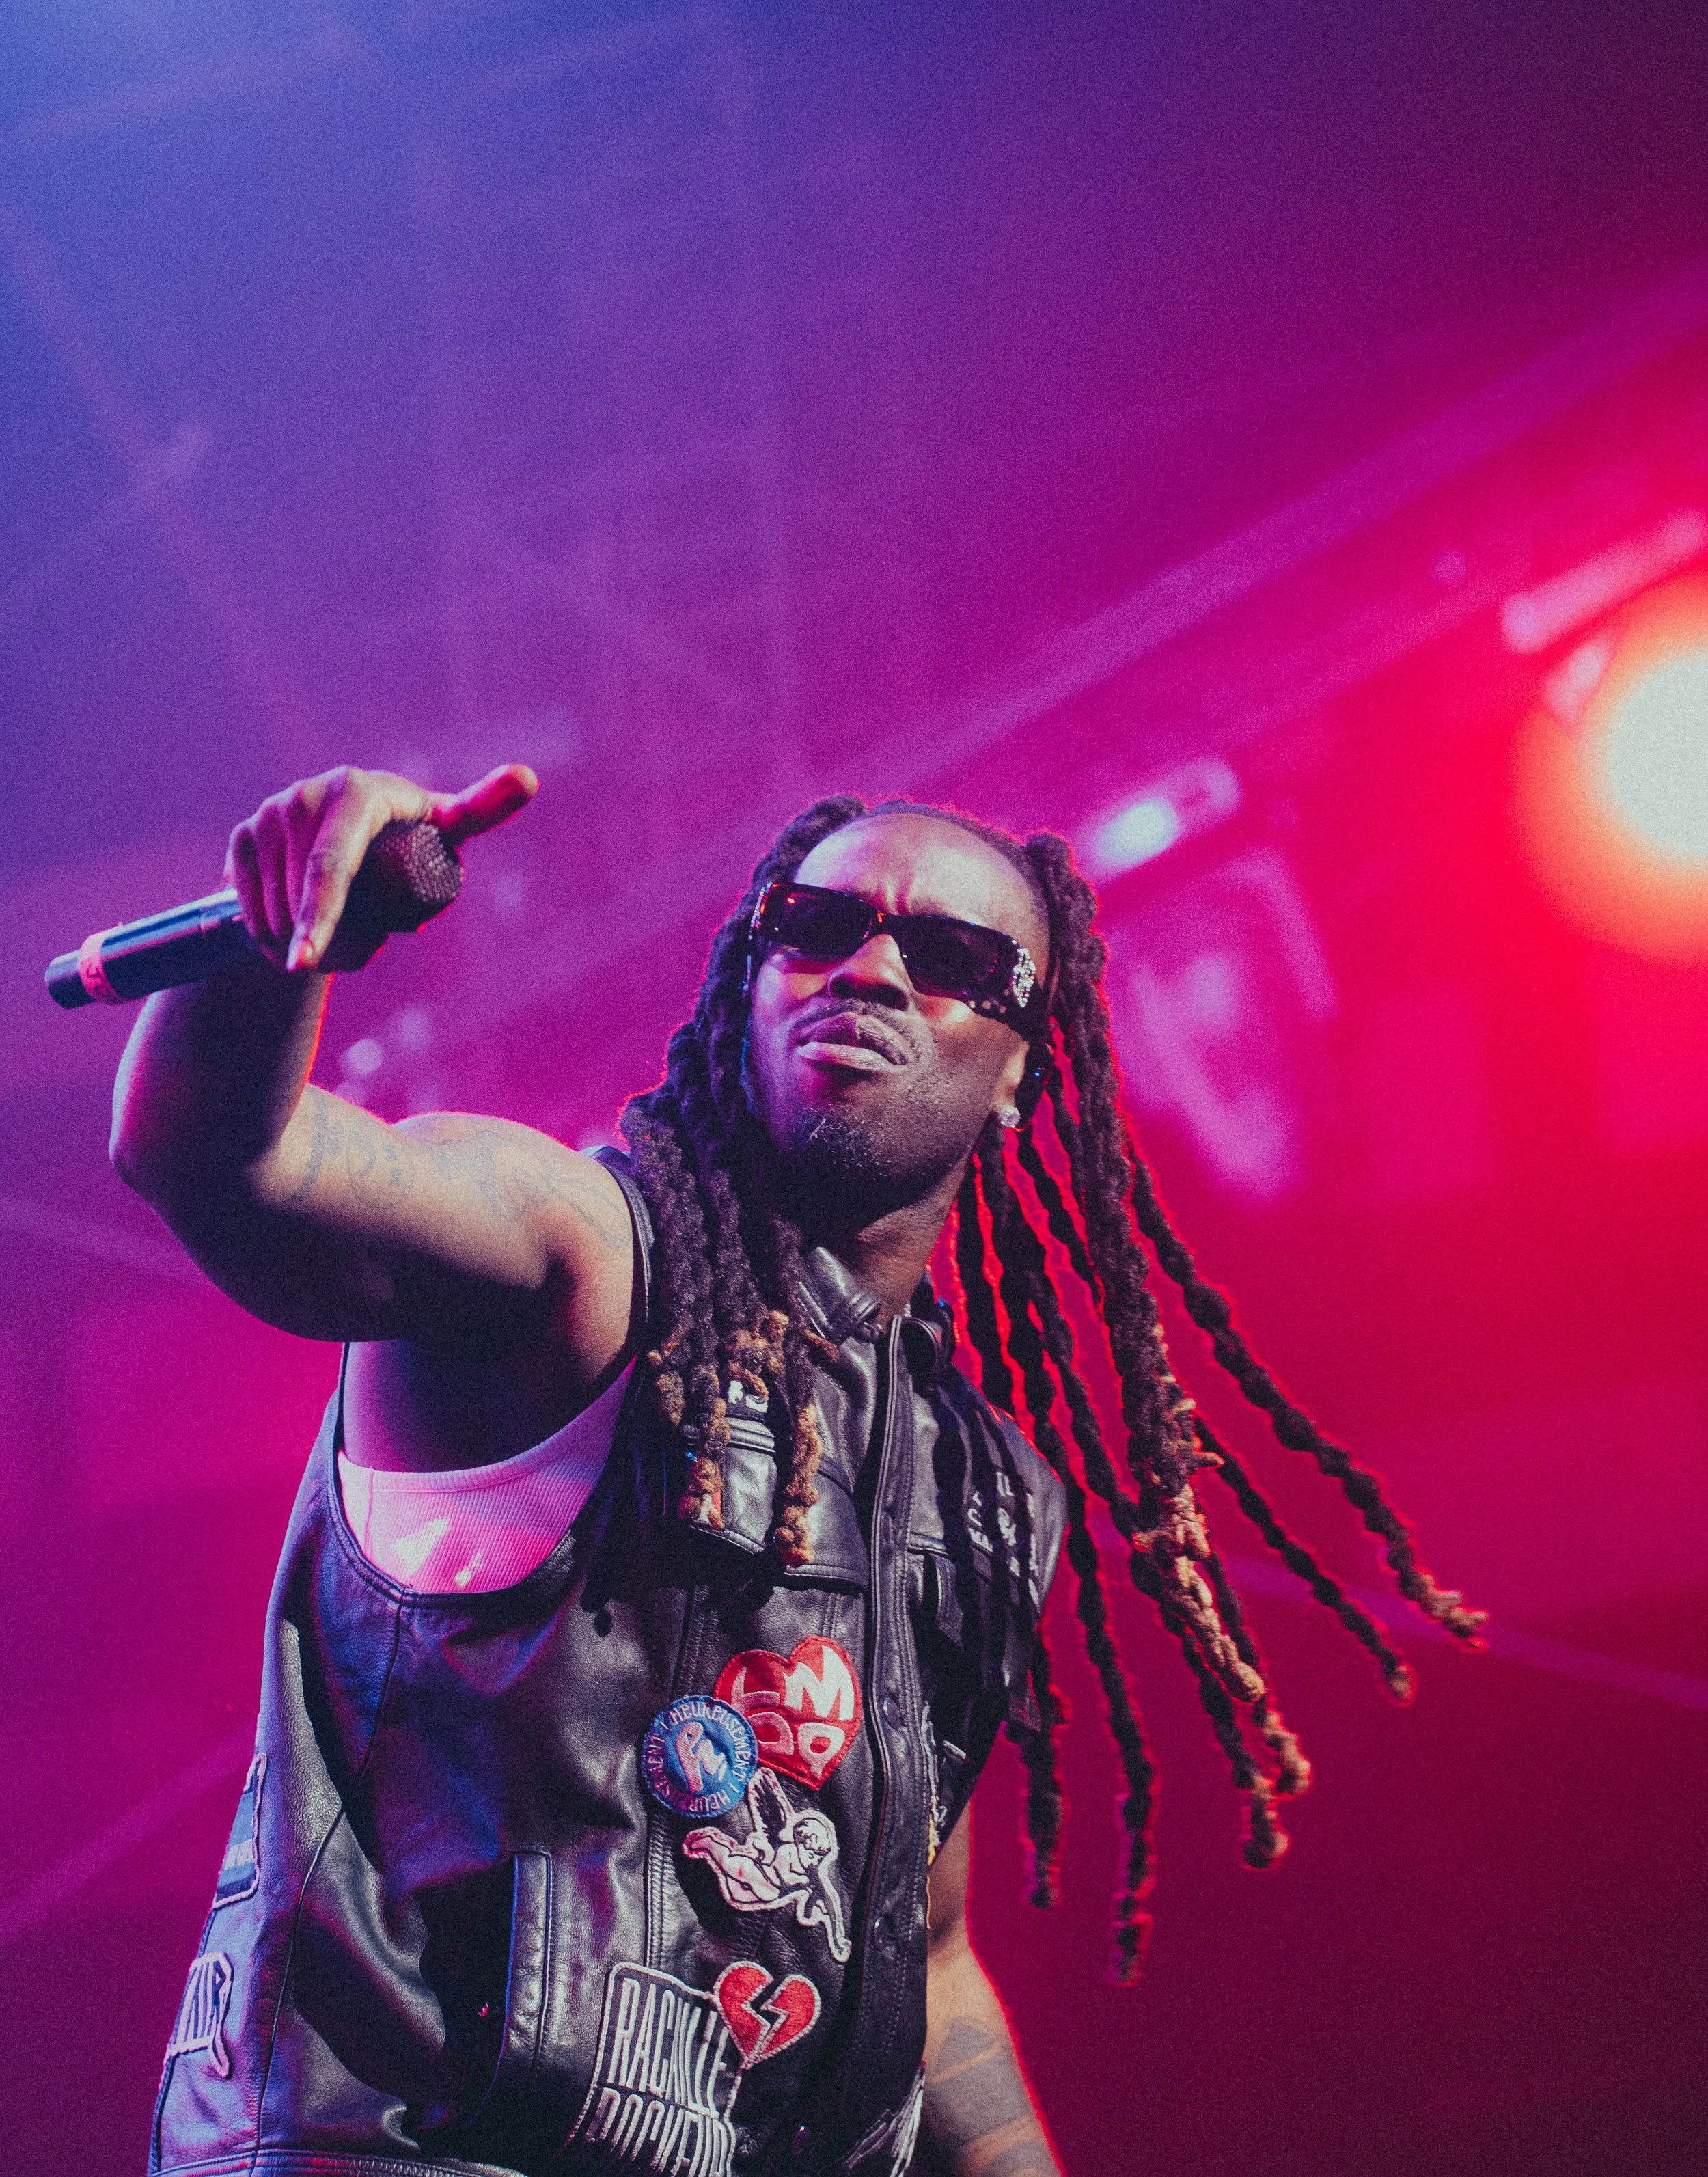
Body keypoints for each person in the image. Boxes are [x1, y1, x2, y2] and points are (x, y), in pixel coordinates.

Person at [111, 763, 1481, 2177]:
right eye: (814, 926)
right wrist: (272, 937)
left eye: (950, 958)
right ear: (749, 981)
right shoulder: (576, 1260)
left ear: (1020, 1065)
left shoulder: (984, 1491)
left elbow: (921, 1952)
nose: (869, 969)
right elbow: (226, 1165)